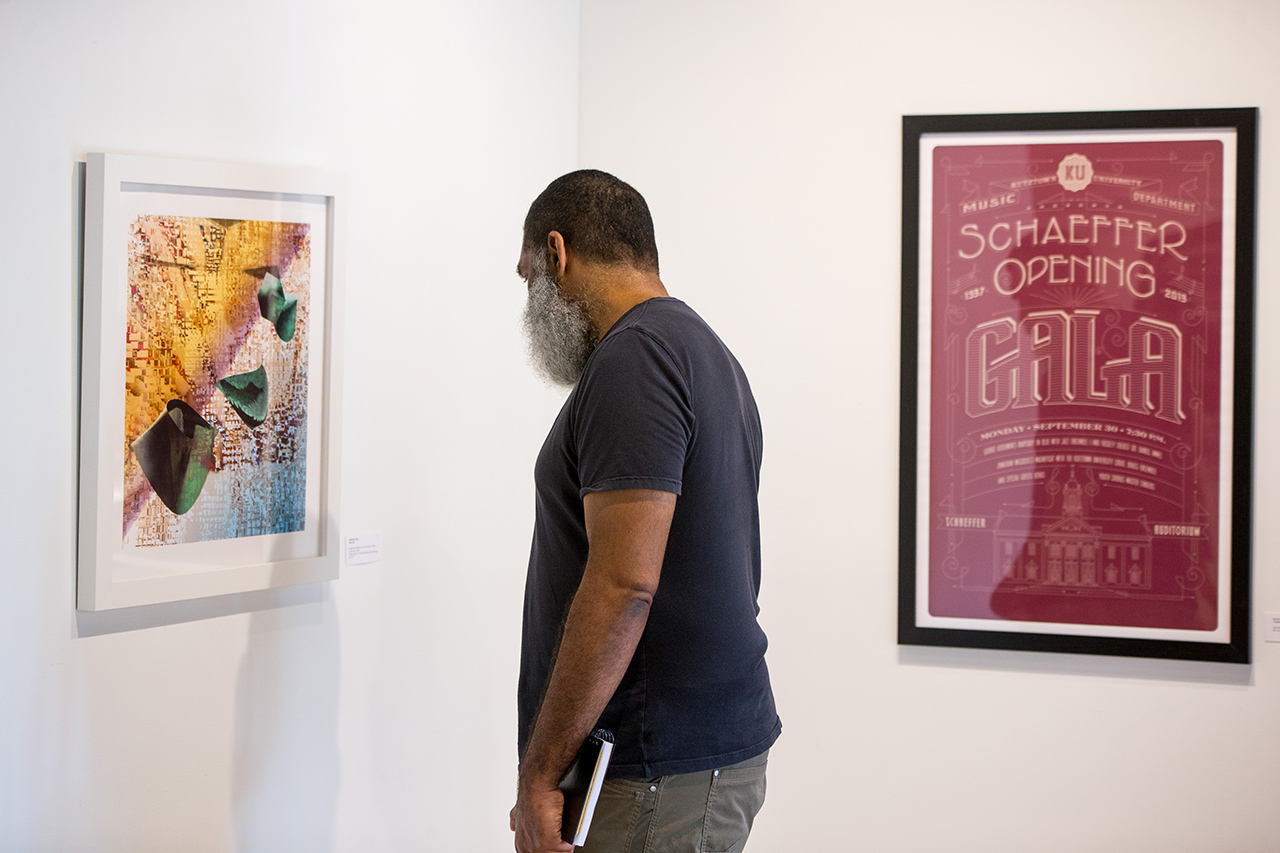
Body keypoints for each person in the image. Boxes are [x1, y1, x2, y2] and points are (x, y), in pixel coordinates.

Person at [510, 170, 780, 853]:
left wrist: (540, 775)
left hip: (656, 766)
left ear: (557, 253)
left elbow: (624, 583)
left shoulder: (635, 357)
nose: (529, 300)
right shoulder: (701, 349)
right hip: (680, 756)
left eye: (528, 278)